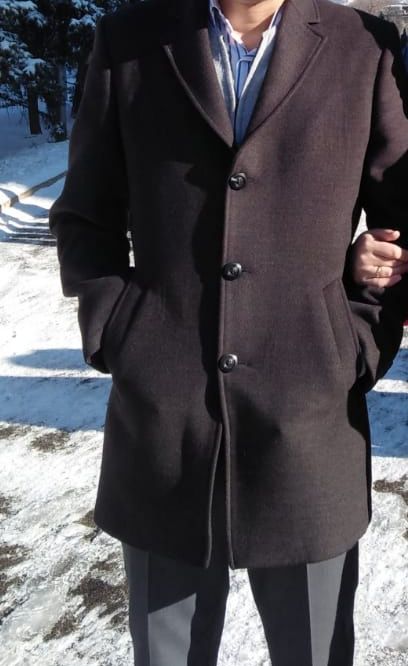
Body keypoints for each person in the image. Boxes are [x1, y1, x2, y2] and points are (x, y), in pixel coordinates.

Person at [48, 0, 408, 664]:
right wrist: (119, 328)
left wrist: (355, 340)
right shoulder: (129, 41)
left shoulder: (365, 48)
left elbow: (401, 220)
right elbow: (85, 215)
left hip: (311, 429)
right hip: (162, 432)